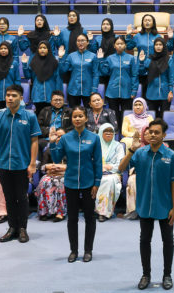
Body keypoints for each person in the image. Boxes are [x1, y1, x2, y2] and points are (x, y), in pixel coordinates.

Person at [118, 118, 174, 290]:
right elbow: (121, 167)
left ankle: (167, 275)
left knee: (168, 241)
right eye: (150, 132)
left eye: (157, 132)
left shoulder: (172, 156)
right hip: (144, 205)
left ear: (164, 135)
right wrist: (132, 149)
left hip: (165, 207)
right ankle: (145, 274)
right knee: (144, 240)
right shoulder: (139, 153)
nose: (153, 135)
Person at [0, 85, 41, 244]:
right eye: (8, 95)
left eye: (14, 95)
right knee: (9, 198)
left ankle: (22, 229)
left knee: (22, 197)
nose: (10, 98)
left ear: (21, 98)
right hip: (3, 165)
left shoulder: (29, 116)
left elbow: (34, 141)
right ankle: (12, 227)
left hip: (21, 165)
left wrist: (32, 163)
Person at [50, 107, 103, 263]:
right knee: (72, 218)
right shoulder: (66, 138)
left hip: (88, 183)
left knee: (89, 217)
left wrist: (97, 183)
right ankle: (73, 250)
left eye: (80, 116)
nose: (78, 119)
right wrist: (53, 143)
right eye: (75, 117)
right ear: (71, 119)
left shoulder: (94, 138)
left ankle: (88, 250)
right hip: (71, 182)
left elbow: (98, 162)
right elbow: (57, 157)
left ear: (86, 118)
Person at [101, 36, 139, 119]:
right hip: (112, 91)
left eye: (122, 43)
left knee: (126, 115)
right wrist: (101, 61)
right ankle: (115, 131)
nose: (120, 45)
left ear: (125, 45)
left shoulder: (131, 58)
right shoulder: (110, 58)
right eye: (117, 44)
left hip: (127, 91)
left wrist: (134, 90)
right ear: (114, 46)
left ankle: (124, 131)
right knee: (113, 115)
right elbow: (105, 72)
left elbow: (134, 75)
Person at [23, 41, 63, 117]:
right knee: (39, 116)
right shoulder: (33, 62)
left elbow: (58, 78)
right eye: (40, 48)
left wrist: (58, 94)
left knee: (50, 117)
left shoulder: (54, 62)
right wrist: (24, 64)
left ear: (48, 49)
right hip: (37, 95)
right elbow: (28, 76)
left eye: (44, 48)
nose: (42, 50)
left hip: (50, 95)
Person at [36, 128, 67, 222]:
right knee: (44, 182)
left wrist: (62, 167)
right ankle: (44, 212)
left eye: (62, 136)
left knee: (60, 182)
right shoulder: (49, 150)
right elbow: (42, 166)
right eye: (57, 136)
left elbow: (75, 166)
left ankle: (60, 213)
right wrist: (49, 166)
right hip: (51, 174)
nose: (59, 138)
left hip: (65, 175)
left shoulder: (70, 150)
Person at [96, 123, 124, 222]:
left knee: (108, 180)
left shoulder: (118, 146)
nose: (108, 134)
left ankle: (103, 212)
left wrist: (109, 167)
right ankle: (96, 209)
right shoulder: (95, 145)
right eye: (106, 132)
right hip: (96, 171)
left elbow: (120, 164)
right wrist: (100, 167)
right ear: (101, 133)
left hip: (113, 173)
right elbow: (89, 160)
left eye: (111, 132)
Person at [141, 38, 174, 117]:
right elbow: (142, 72)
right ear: (154, 46)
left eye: (160, 45)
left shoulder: (169, 60)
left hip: (165, 93)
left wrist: (171, 91)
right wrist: (142, 61)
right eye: (156, 45)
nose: (158, 47)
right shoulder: (149, 59)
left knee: (165, 117)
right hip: (151, 93)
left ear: (163, 46)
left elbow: (171, 77)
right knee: (152, 118)